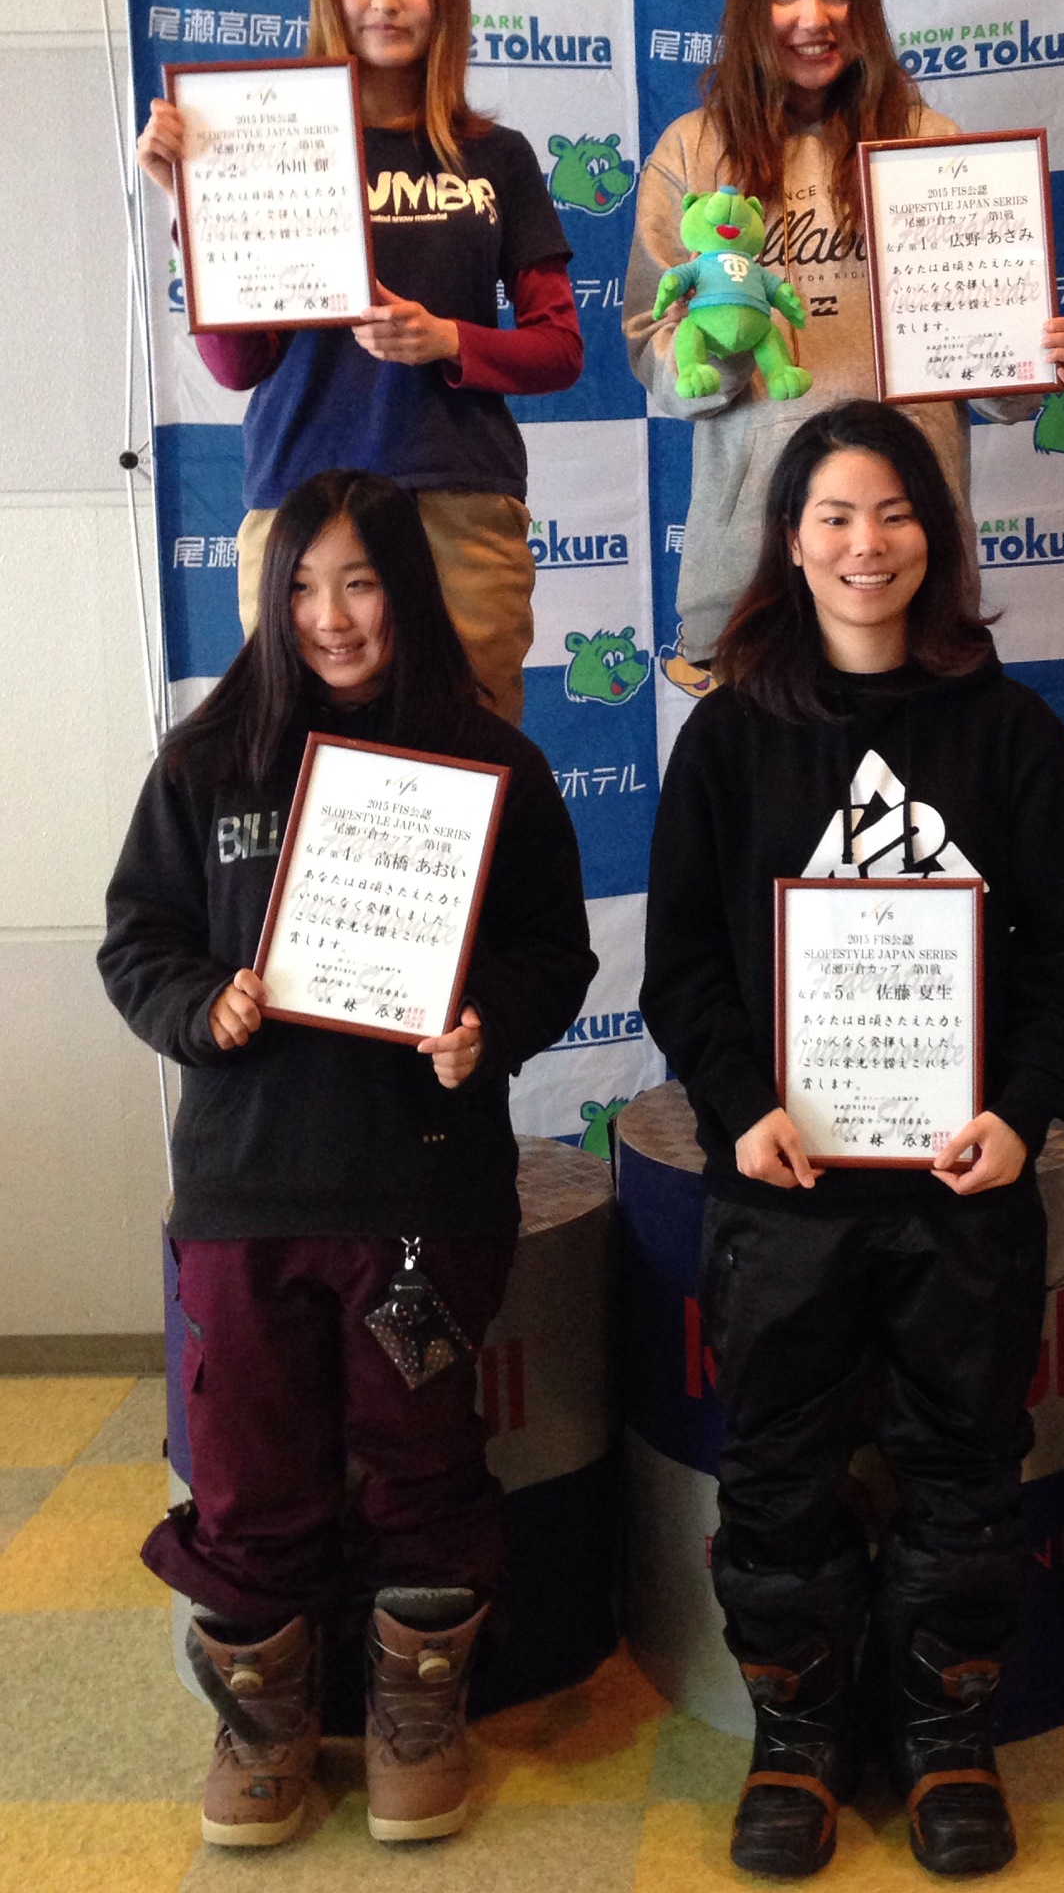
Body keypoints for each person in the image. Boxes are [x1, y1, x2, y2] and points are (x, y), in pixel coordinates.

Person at [641, 400, 1064, 1878]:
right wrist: (743, 1106)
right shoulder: (729, 738)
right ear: (788, 542)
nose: (868, 544)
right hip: (786, 1182)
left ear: (937, 535)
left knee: (964, 1465)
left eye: (896, 513)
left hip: (961, 1185)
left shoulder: (1011, 730)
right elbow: (682, 969)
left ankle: (943, 1729)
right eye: (835, 516)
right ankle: (795, 1732)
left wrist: (1021, 1112)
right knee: (777, 1469)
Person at [97, 469, 595, 1849]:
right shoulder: (206, 762)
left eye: (361, 582)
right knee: (249, 1472)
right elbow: (136, 941)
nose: (331, 615)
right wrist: (202, 1006)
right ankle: (262, 1724)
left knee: (421, 1457)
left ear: (407, 592)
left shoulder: (491, 764)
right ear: (272, 598)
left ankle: (415, 1711)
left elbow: (553, 950)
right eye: (305, 586)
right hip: (246, 1196)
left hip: (423, 1199)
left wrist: (487, 1020)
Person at [135, 0, 582, 724]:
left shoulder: (498, 156)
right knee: (303, 762)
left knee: (470, 761)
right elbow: (237, 365)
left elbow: (559, 348)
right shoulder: (260, 140)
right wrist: (193, 211)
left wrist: (446, 339)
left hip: (459, 505)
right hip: (301, 503)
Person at [624, 0, 1064, 663]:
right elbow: (654, 351)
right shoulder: (693, 150)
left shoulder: (929, 142)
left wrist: (1023, 360)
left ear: (863, 5)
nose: (814, 18)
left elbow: (996, 385)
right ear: (749, 8)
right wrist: (725, 346)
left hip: (908, 553)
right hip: (753, 559)